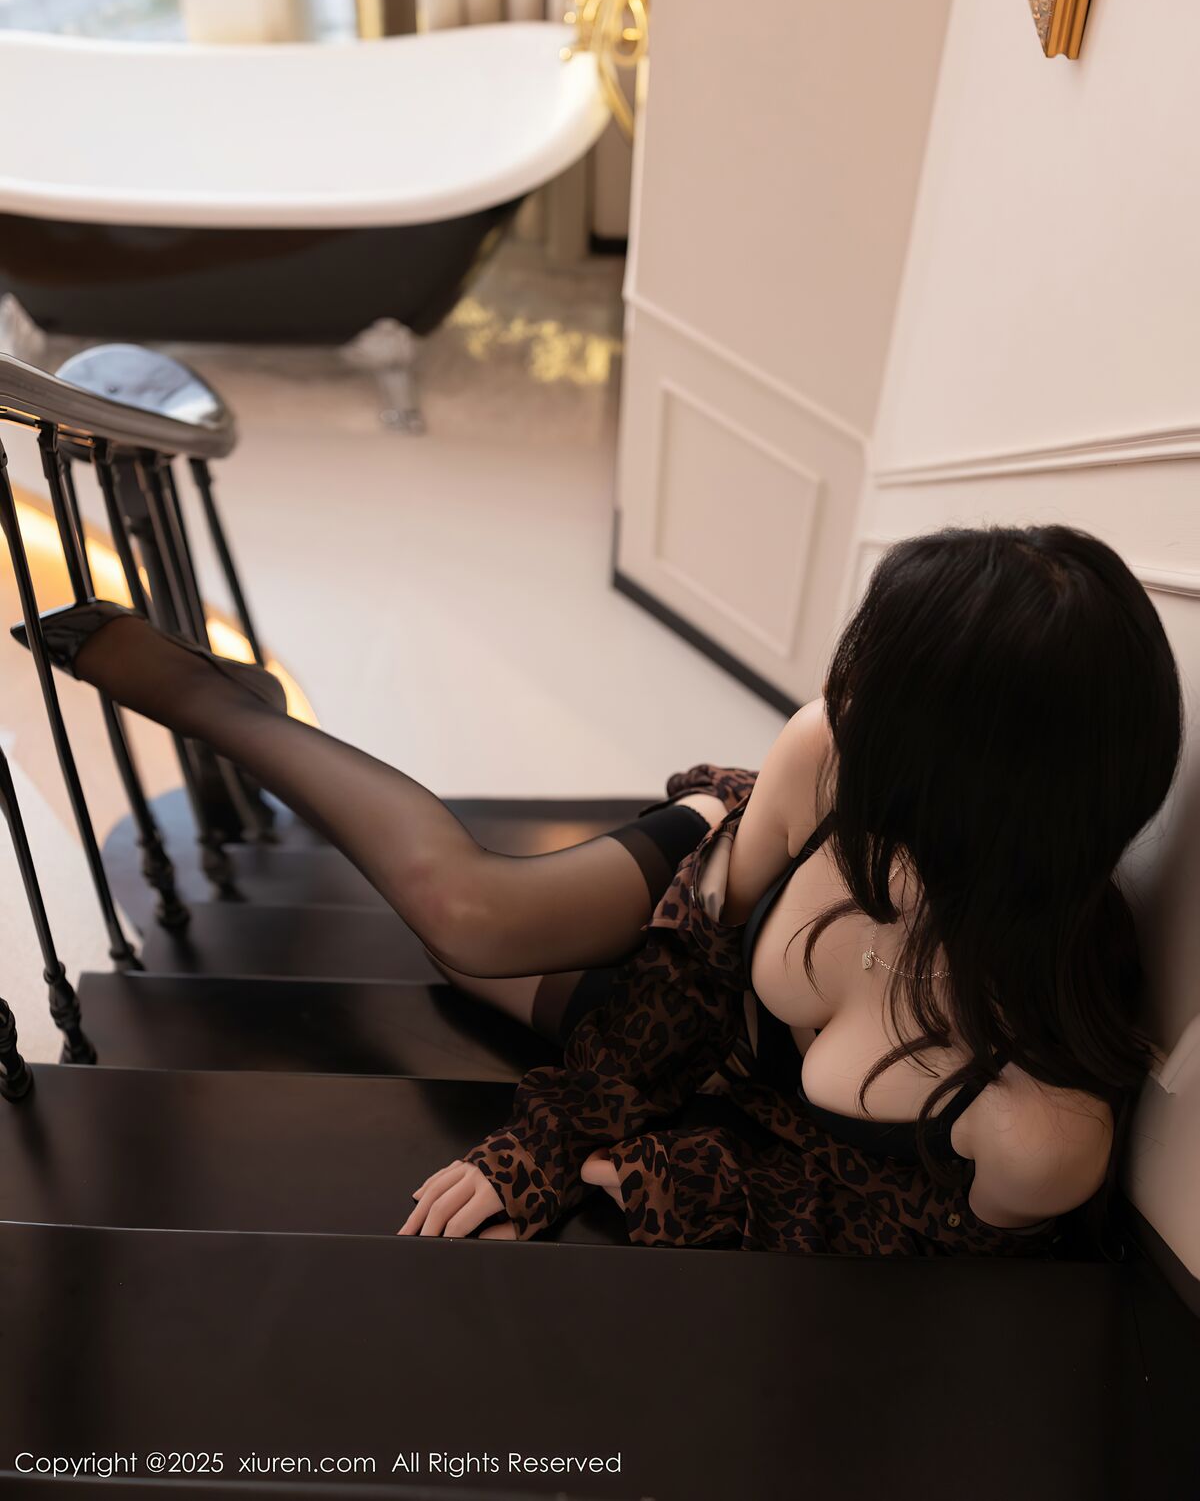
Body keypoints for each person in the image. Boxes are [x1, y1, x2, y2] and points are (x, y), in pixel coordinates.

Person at [17, 523, 1182, 1256]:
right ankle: (227, 706)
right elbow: (692, 970)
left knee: (452, 952)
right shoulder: (827, 753)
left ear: (985, 788)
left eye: (887, 704)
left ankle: (253, 714)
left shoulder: (1038, 1123)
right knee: (464, 919)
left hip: (748, 1060)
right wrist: (548, 1137)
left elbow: (875, 1221)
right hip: (716, 874)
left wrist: (652, 1173)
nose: (843, 703)